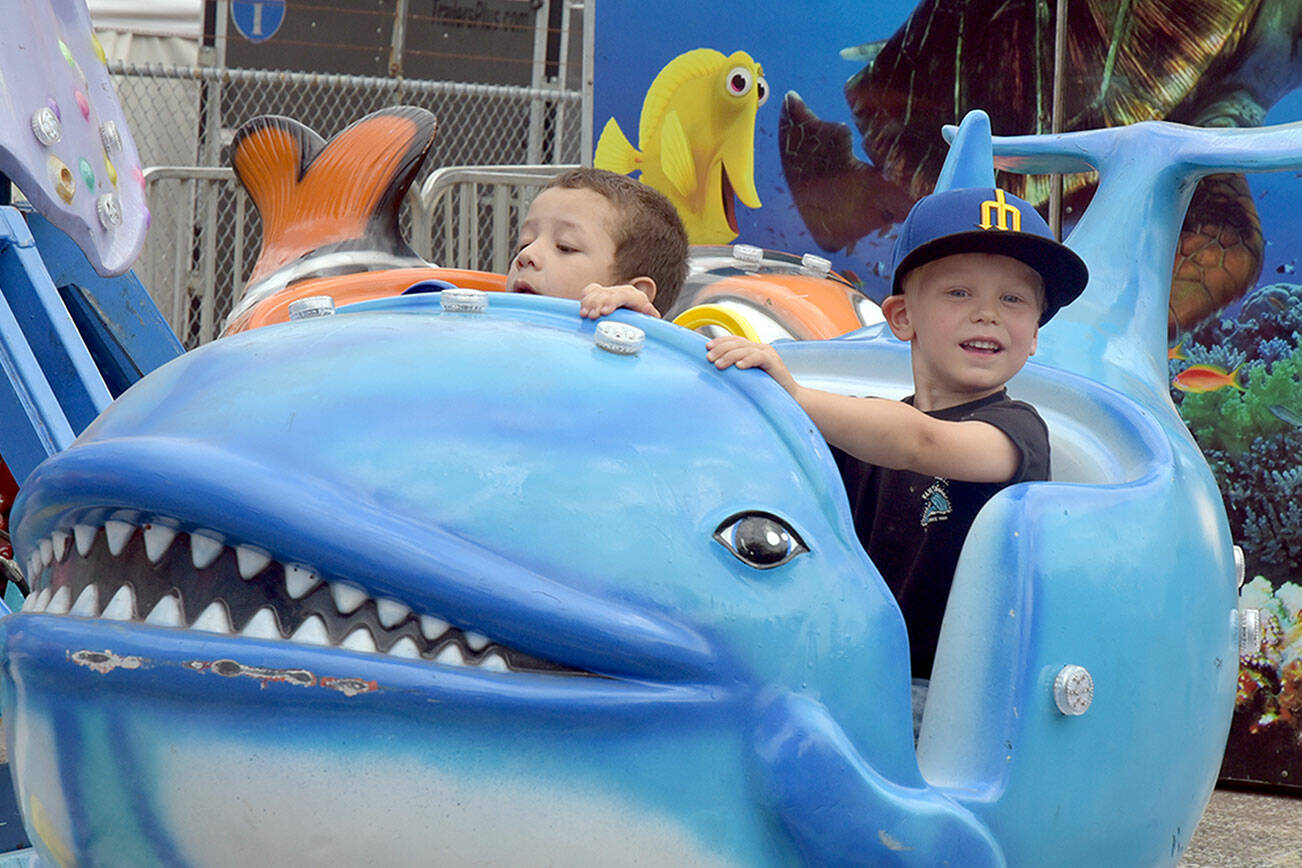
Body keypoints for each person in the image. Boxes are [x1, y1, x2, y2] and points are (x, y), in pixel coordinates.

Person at [705, 186, 1088, 733]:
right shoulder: (864, 434)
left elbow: (920, 442)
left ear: (1034, 337)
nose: (987, 315)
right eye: (958, 293)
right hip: (852, 670)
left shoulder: (1019, 430)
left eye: (1014, 300)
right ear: (902, 317)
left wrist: (795, 396)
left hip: (956, 695)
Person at [507, 168, 689, 319]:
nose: (526, 255)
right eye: (525, 243)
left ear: (633, 291)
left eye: (565, 247)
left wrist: (632, 323)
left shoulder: (630, 354)